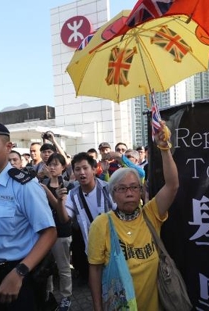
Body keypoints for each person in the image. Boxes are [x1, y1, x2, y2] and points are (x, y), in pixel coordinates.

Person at [87, 121, 179, 311]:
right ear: (112, 194)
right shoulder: (101, 224)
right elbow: (95, 270)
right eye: (121, 188)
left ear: (140, 191)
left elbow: (172, 185)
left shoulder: (151, 214)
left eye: (133, 187)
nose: (129, 193)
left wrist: (164, 148)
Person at [0, 121, 56, 310]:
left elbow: (49, 232)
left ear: (8, 147)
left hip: (20, 275)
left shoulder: (24, 186)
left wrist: (19, 273)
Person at [55, 152, 116, 285]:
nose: (82, 172)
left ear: (94, 169)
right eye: (77, 169)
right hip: (92, 249)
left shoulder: (107, 189)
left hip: (114, 247)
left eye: (85, 168)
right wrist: (60, 201)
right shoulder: (73, 194)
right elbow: (65, 219)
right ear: (74, 173)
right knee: (97, 287)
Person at [40, 153, 74, 311]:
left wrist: (46, 190)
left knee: (63, 266)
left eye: (56, 164)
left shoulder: (68, 185)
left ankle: (66, 296)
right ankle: (48, 295)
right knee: (46, 267)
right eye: (49, 164)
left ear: (63, 167)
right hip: (45, 232)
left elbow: (60, 210)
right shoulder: (42, 183)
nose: (52, 167)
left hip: (62, 231)